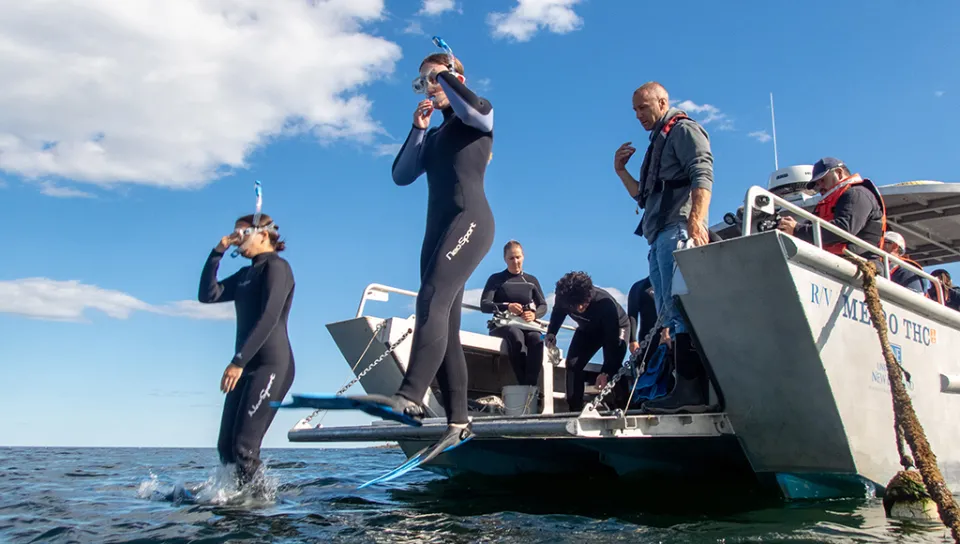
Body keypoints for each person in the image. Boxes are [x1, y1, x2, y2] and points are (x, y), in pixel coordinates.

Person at [361, 46, 495, 444]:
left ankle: (410, 395)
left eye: (433, 77)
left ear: (456, 78)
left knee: (430, 298)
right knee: (444, 323)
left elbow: (475, 109)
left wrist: (446, 76)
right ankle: (458, 422)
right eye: (422, 81)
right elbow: (401, 175)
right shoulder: (435, 134)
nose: (428, 86)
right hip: (436, 232)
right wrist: (418, 128)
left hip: (469, 221)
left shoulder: (478, 117)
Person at [198, 213, 296, 489]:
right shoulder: (244, 275)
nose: (238, 242)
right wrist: (219, 251)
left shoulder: (277, 268)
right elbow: (208, 295)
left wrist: (238, 361)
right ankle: (234, 501)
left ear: (263, 234)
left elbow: (269, 317)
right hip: (245, 367)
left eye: (242, 235)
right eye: (235, 235)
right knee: (226, 448)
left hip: (271, 365)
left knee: (244, 448)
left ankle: (256, 508)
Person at [613, 81, 713, 349]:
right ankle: (678, 375)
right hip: (657, 235)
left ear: (662, 103)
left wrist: (696, 222)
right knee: (668, 314)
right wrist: (621, 171)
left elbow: (702, 173)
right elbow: (643, 197)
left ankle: (691, 380)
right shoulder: (658, 141)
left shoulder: (683, 130)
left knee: (680, 310)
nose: (638, 115)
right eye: (635, 111)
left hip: (677, 229)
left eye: (643, 108)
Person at [545, 271, 630, 412]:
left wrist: (605, 372)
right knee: (572, 364)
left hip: (616, 327)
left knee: (613, 366)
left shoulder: (605, 303)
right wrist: (551, 333)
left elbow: (612, 343)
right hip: (588, 329)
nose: (579, 308)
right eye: (574, 306)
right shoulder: (563, 298)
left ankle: (623, 405)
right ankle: (574, 408)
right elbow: (558, 314)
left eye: (582, 304)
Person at [777, 157, 887, 265]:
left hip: (862, 264)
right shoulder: (828, 203)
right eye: (817, 184)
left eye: (823, 180)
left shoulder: (857, 194)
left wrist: (797, 229)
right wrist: (789, 229)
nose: (820, 187)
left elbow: (844, 229)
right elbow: (810, 228)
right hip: (838, 263)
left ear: (839, 173)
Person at [480, 240, 548, 386]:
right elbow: (484, 305)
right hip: (503, 325)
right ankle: (523, 385)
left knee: (538, 338)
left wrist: (534, 315)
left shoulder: (531, 280)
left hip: (527, 325)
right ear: (505, 259)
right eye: (511, 258)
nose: (515, 261)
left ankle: (531, 386)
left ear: (523, 257)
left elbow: (543, 305)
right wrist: (507, 306)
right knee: (515, 335)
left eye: (518, 257)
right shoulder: (496, 279)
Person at [627, 277, 657, 354]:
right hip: (647, 340)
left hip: (671, 337)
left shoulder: (673, 285)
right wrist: (632, 340)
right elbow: (632, 314)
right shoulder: (640, 286)